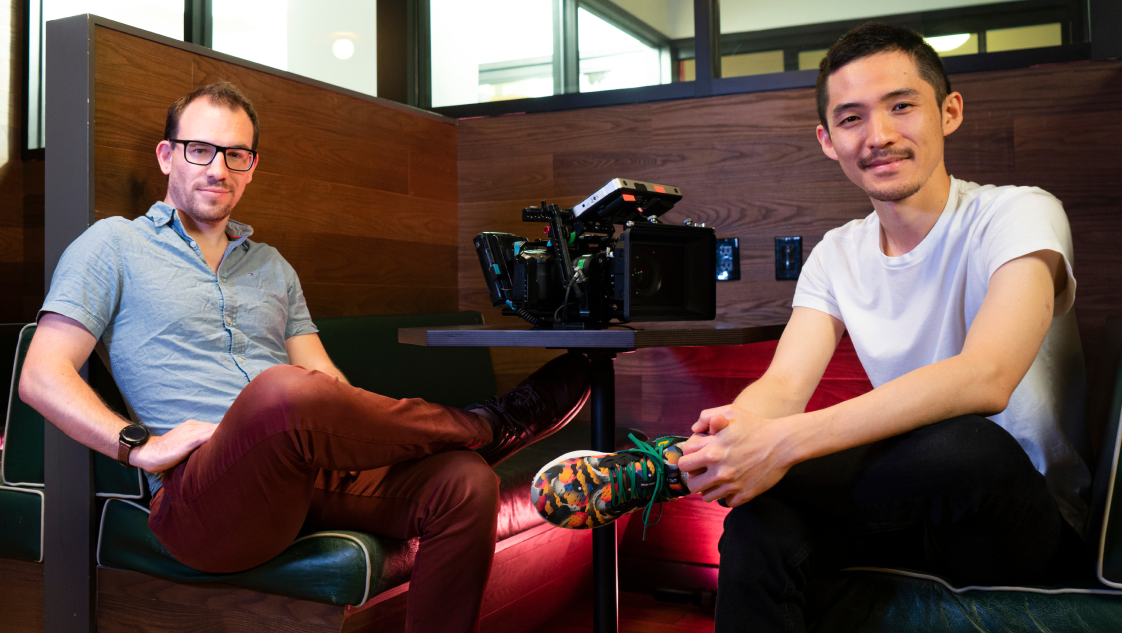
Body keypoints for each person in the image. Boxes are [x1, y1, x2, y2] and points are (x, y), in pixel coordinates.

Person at [531, 22, 1091, 632]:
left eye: (901, 106)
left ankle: (676, 469)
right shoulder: (837, 253)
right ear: (828, 140)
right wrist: (738, 439)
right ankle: (697, 461)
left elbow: (986, 377)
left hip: (1019, 514)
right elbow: (781, 387)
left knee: (969, 444)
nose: (878, 135)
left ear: (949, 111)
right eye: (851, 119)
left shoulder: (1018, 213)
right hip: (904, 511)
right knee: (757, 523)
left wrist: (781, 444)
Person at [19, 80, 591, 633]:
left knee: (465, 483)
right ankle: (485, 425)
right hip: (203, 499)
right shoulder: (113, 245)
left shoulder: (272, 266)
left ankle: (475, 435)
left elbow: (326, 382)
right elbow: (41, 376)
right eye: (199, 150)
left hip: (300, 472)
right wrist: (140, 447)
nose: (217, 168)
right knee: (280, 390)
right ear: (167, 156)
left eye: (235, 154)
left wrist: (365, 438)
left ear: (251, 167)